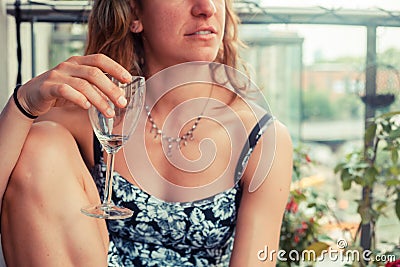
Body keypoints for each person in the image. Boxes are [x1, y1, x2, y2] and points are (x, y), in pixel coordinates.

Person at [0, 0, 293, 266]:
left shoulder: (261, 138)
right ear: (135, 14)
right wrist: (23, 104)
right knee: (41, 141)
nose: (207, 8)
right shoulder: (90, 117)